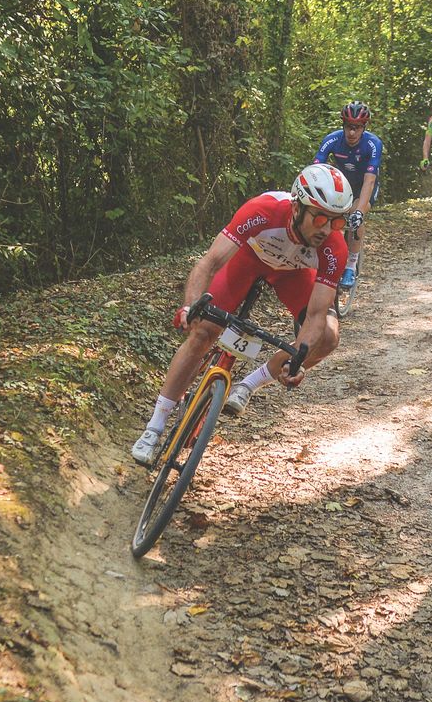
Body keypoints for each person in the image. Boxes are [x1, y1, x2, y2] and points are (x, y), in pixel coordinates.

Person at [130, 164, 353, 464]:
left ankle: (248, 385)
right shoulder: (264, 211)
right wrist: (190, 305)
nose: (327, 230)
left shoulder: (333, 246)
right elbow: (209, 263)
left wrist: (297, 359)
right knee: (203, 333)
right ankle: (154, 427)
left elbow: (315, 316)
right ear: (298, 207)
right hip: (249, 260)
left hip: (294, 274)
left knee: (327, 336)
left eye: (337, 223)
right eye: (321, 218)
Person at [313, 101, 383, 290]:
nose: (351, 133)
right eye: (348, 127)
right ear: (342, 125)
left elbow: (369, 180)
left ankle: (351, 266)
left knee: (354, 215)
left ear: (364, 127)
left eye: (357, 128)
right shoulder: (332, 140)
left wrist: (359, 211)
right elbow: (316, 170)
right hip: (344, 185)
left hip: (366, 186)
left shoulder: (373, 143)